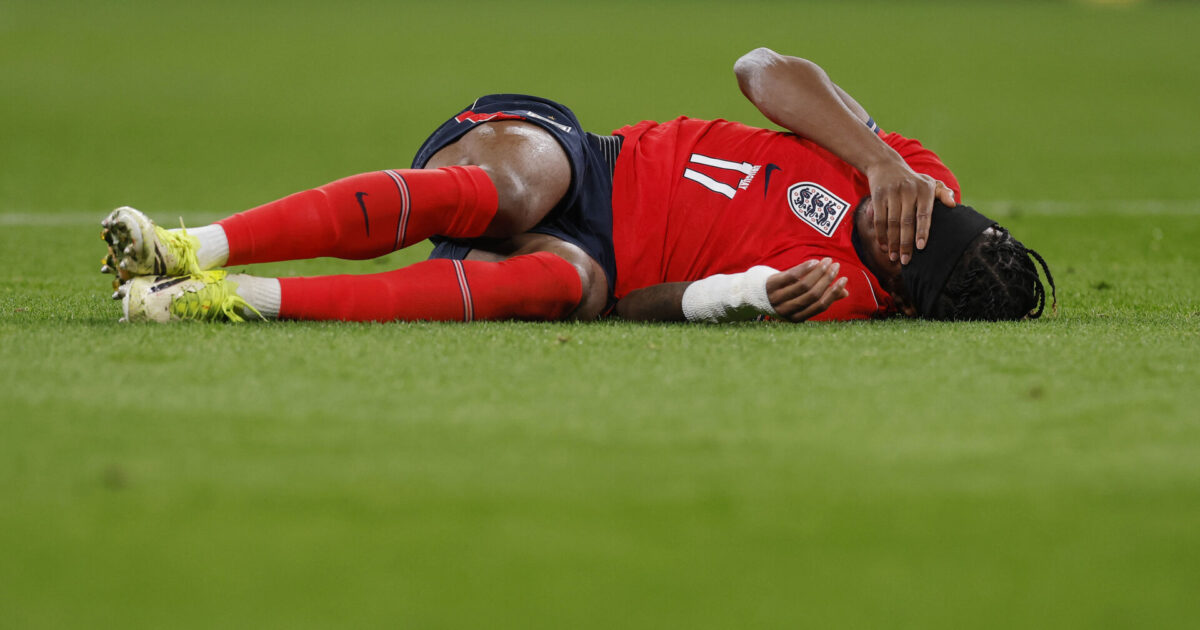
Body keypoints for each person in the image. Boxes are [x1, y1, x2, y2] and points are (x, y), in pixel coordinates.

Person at [100, 48, 1053, 324]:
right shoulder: (911, 175)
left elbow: (639, 307)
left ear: (910, 289)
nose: (909, 224)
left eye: (913, 247)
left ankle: (219, 300)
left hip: (597, 260)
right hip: (583, 157)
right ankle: (194, 243)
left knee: (567, 288)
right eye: (935, 219)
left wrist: (741, 297)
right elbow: (762, 69)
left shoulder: (848, 299)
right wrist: (883, 160)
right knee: (512, 191)